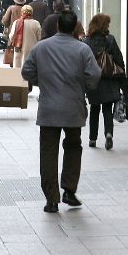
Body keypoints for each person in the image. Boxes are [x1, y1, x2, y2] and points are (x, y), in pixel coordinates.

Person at [21, 11, 101, 214]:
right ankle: (69, 189)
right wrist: (82, 86)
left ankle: (51, 198)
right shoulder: (82, 50)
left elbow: (26, 71)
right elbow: (94, 75)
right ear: (74, 27)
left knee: (48, 152)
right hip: (73, 108)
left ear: (58, 26)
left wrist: (42, 82)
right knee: (73, 147)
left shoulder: (41, 48)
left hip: (49, 109)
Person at [84, 14, 128, 150]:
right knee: (107, 109)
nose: (109, 26)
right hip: (110, 80)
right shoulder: (110, 40)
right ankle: (108, 134)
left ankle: (92, 139)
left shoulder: (87, 41)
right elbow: (119, 60)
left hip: (94, 81)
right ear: (103, 25)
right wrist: (122, 79)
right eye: (107, 24)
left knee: (94, 109)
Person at [9, 4, 42, 72]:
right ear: (31, 12)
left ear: (22, 12)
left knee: (18, 72)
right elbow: (40, 38)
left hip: (19, 51)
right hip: (32, 52)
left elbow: (11, 37)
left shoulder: (16, 22)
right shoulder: (36, 23)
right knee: (30, 72)